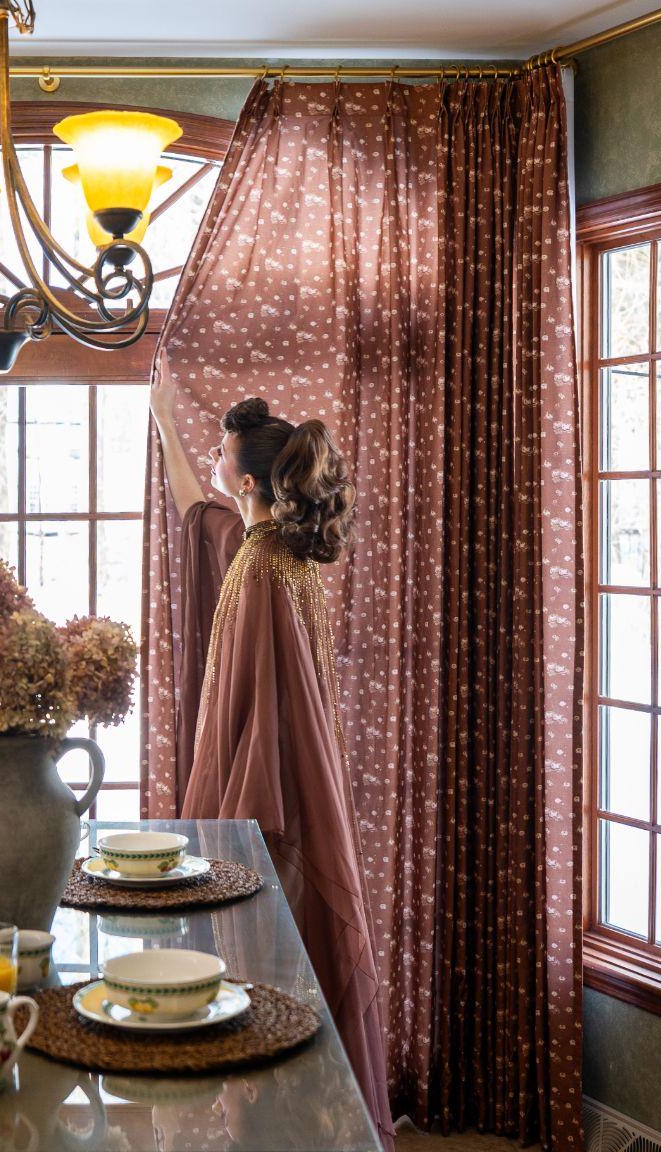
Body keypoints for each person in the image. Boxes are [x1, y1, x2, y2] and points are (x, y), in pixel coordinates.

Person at [152, 386, 391, 1136]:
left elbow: (255, 711)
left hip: (268, 798)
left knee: (260, 958)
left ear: (247, 480)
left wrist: (233, 825)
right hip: (298, 789)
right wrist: (165, 422)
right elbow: (200, 513)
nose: (216, 462)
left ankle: (269, 1123)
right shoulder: (277, 553)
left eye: (222, 454)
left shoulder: (260, 570)